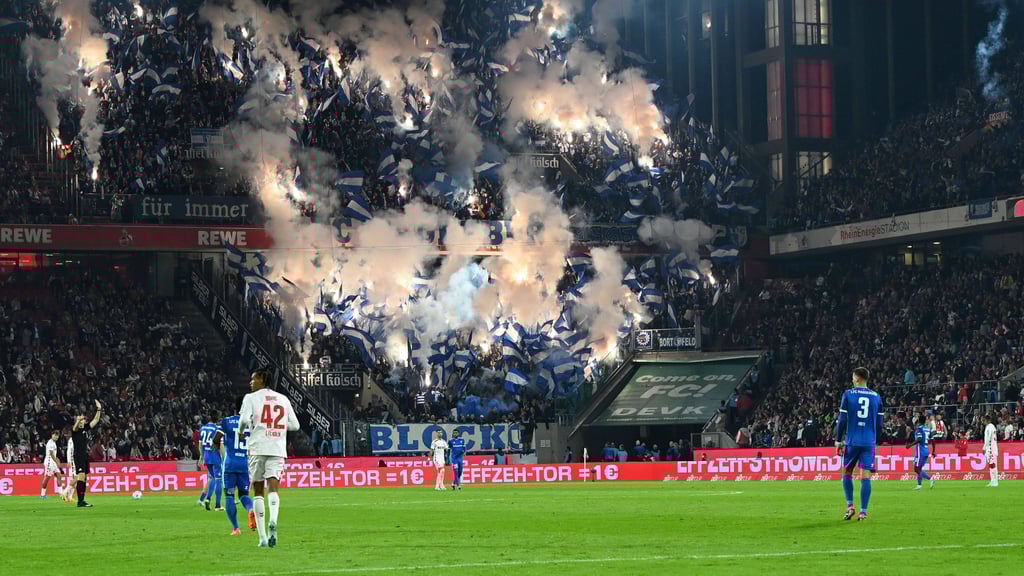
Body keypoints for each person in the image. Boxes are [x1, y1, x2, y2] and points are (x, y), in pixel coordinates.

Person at [239, 369, 300, 548]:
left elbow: (243, 421)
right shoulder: (283, 399)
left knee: (258, 490)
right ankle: (273, 519)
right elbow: (295, 425)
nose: (250, 382)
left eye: (253, 379)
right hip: (277, 448)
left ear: (262, 379)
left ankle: (263, 537)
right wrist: (278, 426)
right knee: (274, 486)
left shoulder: (250, 398)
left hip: (258, 447)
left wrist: (241, 432)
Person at [834, 367, 882, 521]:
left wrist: (837, 439)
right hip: (869, 442)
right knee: (866, 477)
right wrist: (876, 440)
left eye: (853, 378)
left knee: (846, 473)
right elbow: (880, 424)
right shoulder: (877, 396)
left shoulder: (848, 394)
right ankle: (863, 512)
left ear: (858, 379)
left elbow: (842, 420)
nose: (852, 380)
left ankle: (850, 507)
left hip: (852, 441)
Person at [214, 398, 256, 536]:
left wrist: (218, 449)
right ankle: (251, 509)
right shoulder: (251, 423)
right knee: (244, 495)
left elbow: (216, 439)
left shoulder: (226, 421)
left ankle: (236, 528)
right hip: (245, 464)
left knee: (229, 495)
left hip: (230, 464)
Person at [71, 400, 103, 507]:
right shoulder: (75, 432)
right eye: (81, 420)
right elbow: (74, 428)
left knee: (85, 478)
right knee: (80, 477)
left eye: (83, 420)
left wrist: (99, 409)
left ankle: (82, 500)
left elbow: (96, 420)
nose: (83, 421)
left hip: (84, 456)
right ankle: (80, 501)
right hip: (78, 456)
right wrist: (77, 420)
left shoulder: (85, 429)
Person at [197, 413, 224, 511]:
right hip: (215, 455)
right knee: (218, 479)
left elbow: (200, 444)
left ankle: (206, 499)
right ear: (217, 420)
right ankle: (217, 505)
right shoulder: (217, 429)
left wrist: (201, 455)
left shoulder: (202, 428)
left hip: (206, 456)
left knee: (212, 477)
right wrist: (224, 458)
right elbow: (220, 445)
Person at [905, 418, 935, 490]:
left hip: (920, 452)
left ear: (918, 423)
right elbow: (933, 440)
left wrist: (909, 445)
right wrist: (933, 451)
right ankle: (919, 485)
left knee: (916, 469)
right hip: (926, 451)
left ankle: (930, 479)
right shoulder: (927, 429)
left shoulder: (919, 429)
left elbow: (919, 439)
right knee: (919, 469)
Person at [40, 430, 67, 501]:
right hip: (49, 463)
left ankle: (61, 493)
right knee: (47, 478)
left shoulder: (54, 443)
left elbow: (54, 455)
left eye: (57, 436)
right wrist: (56, 462)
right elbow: (51, 454)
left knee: (59, 476)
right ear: (52, 435)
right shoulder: (50, 443)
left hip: (53, 463)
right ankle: (42, 494)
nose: (56, 437)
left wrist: (58, 463)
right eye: (55, 435)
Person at [983, 413, 999, 487]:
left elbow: (988, 439)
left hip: (990, 449)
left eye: (984, 420)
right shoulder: (992, 427)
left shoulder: (989, 427)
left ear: (987, 420)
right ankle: (992, 481)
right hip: (992, 448)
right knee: (991, 465)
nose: (983, 421)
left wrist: (984, 448)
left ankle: (995, 482)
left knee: (993, 465)